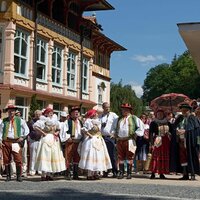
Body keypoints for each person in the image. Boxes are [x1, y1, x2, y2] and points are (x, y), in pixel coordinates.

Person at [34, 107, 66, 181]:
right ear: (46, 114)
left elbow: (59, 128)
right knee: (45, 156)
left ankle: (49, 174)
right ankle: (43, 175)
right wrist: (43, 133)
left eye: (52, 112)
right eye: (49, 113)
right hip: (46, 139)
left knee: (52, 157)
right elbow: (35, 127)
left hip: (53, 140)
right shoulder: (43, 120)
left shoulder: (55, 121)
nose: (51, 114)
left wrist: (56, 133)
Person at [79, 109, 112, 180]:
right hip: (91, 141)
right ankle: (89, 174)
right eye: (96, 113)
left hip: (98, 140)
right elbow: (83, 129)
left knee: (98, 156)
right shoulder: (88, 121)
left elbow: (99, 131)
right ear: (93, 114)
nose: (97, 114)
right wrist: (89, 134)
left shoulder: (98, 121)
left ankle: (95, 173)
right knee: (91, 155)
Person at [0, 105, 29, 182]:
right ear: (7, 112)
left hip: (15, 142)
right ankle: (8, 176)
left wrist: (22, 137)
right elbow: (0, 132)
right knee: (6, 159)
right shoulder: (4, 121)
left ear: (15, 112)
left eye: (12, 110)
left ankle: (18, 176)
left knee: (18, 159)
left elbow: (27, 130)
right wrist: (0, 140)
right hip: (6, 142)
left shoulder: (20, 120)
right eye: (9, 111)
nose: (11, 112)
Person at [115, 103, 144, 179]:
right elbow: (113, 128)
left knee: (129, 156)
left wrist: (136, 134)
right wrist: (114, 134)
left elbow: (141, 127)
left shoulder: (134, 118)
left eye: (126, 109)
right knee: (120, 157)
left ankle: (129, 173)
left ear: (129, 110)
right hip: (120, 140)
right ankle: (121, 173)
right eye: (123, 109)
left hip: (129, 140)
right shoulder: (118, 119)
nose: (124, 111)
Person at [175, 103, 200, 180]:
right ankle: (185, 174)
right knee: (183, 158)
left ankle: (192, 174)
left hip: (190, 141)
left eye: (185, 111)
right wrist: (177, 131)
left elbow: (193, 128)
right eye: (182, 111)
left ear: (189, 111)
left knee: (191, 156)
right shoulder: (180, 119)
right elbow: (175, 126)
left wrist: (185, 131)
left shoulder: (192, 118)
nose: (184, 112)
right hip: (181, 141)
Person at [149, 108, 172, 179]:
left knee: (163, 157)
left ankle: (162, 173)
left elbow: (172, 131)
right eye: (158, 114)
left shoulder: (167, 123)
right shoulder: (154, 123)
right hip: (157, 141)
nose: (160, 115)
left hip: (165, 141)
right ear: (156, 115)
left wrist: (169, 133)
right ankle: (153, 172)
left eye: (161, 114)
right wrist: (151, 143)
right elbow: (150, 133)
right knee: (156, 157)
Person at [99, 102, 118, 178]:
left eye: (109, 107)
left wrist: (114, 134)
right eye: (106, 107)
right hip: (101, 137)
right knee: (103, 156)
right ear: (103, 107)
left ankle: (115, 171)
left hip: (109, 137)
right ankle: (105, 171)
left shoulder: (113, 115)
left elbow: (118, 124)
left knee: (112, 155)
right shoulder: (100, 116)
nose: (108, 108)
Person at [65, 106, 83, 180]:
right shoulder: (68, 121)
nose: (76, 113)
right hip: (70, 141)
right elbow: (64, 130)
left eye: (77, 112)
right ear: (71, 114)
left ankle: (75, 174)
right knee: (68, 157)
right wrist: (67, 137)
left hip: (78, 142)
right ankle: (68, 174)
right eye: (74, 112)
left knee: (77, 158)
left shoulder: (80, 122)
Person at [27, 109, 42, 176]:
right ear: (35, 115)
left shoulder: (42, 121)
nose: (38, 115)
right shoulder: (31, 121)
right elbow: (29, 130)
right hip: (33, 140)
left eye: (39, 114)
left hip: (41, 140)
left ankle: (39, 170)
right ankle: (32, 170)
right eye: (37, 114)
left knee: (40, 156)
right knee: (33, 156)